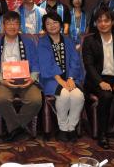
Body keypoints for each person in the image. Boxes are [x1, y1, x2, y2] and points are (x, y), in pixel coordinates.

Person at [0, 11, 42, 141]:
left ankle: (14, 128)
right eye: (9, 23)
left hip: (25, 79)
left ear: (19, 26)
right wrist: (1, 80)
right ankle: (18, 129)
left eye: (15, 23)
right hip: (4, 80)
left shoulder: (28, 42)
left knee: (36, 100)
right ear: (4, 26)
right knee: (1, 98)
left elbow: (36, 63)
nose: (12, 26)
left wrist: (32, 78)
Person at [82, 7, 114, 150]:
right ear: (95, 24)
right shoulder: (89, 41)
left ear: (112, 22)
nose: (103, 24)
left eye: (106, 21)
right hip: (96, 79)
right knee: (106, 96)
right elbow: (89, 65)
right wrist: (100, 82)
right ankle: (102, 133)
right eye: (99, 21)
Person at [38, 12, 84, 142]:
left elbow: (75, 61)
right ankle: (63, 128)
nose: (52, 25)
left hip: (70, 78)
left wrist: (70, 78)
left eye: (55, 22)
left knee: (78, 96)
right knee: (63, 95)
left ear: (60, 24)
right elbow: (46, 63)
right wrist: (61, 81)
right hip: (51, 79)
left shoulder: (68, 41)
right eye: (48, 23)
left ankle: (71, 127)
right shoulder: (42, 42)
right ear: (44, 27)